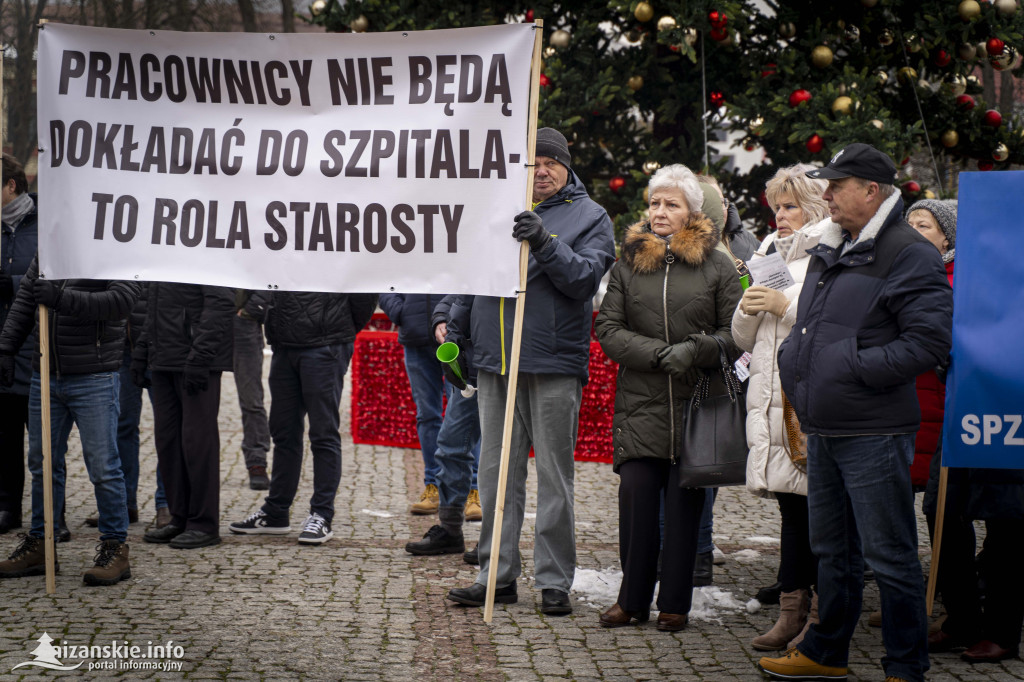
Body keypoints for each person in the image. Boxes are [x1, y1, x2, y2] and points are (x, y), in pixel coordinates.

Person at [760, 143, 953, 682]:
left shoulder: (909, 252)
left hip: (873, 428)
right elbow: (812, 326)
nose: (825, 195)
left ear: (871, 190)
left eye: (836, 185)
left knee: (889, 555)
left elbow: (927, 344)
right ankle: (826, 653)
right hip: (825, 424)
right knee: (833, 552)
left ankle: (906, 666)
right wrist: (795, 361)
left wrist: (848, 368)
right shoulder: (833, 245)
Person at [446, 128, 615, 615]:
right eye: (532, 162)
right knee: (497, 474)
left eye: (550, 162)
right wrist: (456, 325)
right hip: (496, 360)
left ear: (566, 166)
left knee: (555, 478)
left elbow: (583, 280)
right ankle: (495, 574)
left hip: (552, 362)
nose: (541, 171)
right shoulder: (495, 206)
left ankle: (554, 580)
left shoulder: (591, 216)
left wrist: (544, 241)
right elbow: (473, 273)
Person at [594, 163, 742, 631]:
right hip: (641, 401)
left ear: (692, 213)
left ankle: (675, 603)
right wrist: (660, 355)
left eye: (670, 204)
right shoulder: (629, 261)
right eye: (655, 202)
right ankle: (631, 599)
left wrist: (697, 350)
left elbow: (736, 332)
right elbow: (608, 328)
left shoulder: (718, 264)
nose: (659, 211)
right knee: (636, 500)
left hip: (698, 401)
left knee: (685, 505)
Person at [731, 164, 828, 650]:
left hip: (808, 403)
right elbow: (742, 338)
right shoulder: (768, 250)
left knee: (824, 517)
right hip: (771, 400)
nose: (782, 216)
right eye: (777, 207)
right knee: (793, 513)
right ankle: (791, 613)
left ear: (816, 205)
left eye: (790, 206)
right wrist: (748, 307)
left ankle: (823, 618)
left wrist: (781, 306)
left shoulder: (830, 251)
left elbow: (830, 324)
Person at [0, 255, 140, 585]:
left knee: (103, 465)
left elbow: (121, 301)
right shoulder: (51, 243)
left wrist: (63, 299)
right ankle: (40, 542)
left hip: (94, 375)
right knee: (42, 462)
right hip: (45, 372)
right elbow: (25, 301)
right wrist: (6, 347)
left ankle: (115, 548)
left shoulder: (111, 243)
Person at [229, 289, 376, 545]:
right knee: (283, 432)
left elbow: (363, 295)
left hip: (326, 344)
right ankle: (276, 511)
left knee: (323, 433)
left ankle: (321, 514)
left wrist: (339, 327)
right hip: (285, 345)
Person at [137, 283, 234, 550]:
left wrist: (201, 356)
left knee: (197, 443)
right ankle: (180, 517)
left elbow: (222, 303)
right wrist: (143, 350)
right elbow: (154, 308)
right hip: (164, 359)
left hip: (195, 360)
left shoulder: (204, 251)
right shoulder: (163, 255)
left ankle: (204, 523)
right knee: (168, 442)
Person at [379, 293, 480, 517]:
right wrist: (400, 312)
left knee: (466, 416)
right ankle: (433, 485)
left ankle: (473, 489)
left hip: (456, 336)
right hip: (416, 337)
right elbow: (385, 279)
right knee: (427, 416)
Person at [404, 294, 483, 556]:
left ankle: (496, 537)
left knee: (500, 451)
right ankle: (450, 530)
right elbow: (461, 291)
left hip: (505, 357)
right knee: (450, 445)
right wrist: (441, 317)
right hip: (472, 363)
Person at [0, 154, 38, 535]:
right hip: (2, 351)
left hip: (37, 349)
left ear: (11, 186)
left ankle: (48, 516)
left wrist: (10, 284)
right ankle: (8, 507)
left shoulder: (43, 225)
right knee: (5, 438)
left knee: (43, 444)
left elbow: (52, 280)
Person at [233, 290, 272, 491]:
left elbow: (268, 275)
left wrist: (250, 311)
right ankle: (198, 463)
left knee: (251, 399)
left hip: (243, 323)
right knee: (200, 400)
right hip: (207, 317)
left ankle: (257, 462)